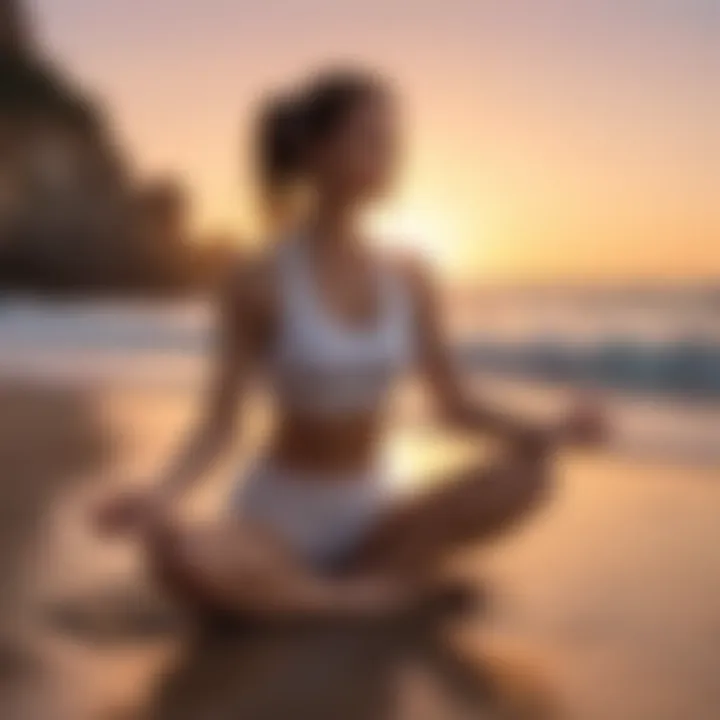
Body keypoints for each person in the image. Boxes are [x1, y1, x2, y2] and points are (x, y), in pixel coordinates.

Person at [97, 68, 604, 620]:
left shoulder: (411, 274)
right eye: (370, 138)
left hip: (372, 518)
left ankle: (316, 596)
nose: (389, 154)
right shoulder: (258, 277)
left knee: (531, 474)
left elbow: (454, 405)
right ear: (316, 151)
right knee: (179, 558)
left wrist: (547, 430)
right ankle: (368, 598)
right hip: (275, 523)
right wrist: (162, 496)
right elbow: (219, 425)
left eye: (394, 140)